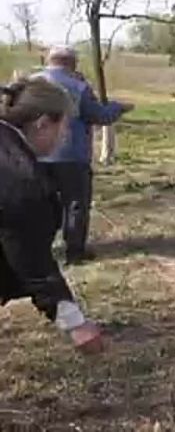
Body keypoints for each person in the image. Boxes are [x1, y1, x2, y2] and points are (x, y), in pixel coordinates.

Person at [1, 78, 105, 354]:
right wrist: (75, 323)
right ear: (43, 123)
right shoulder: (19, 178)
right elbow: (30, 257)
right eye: (64, 127)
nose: (66, 136)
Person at [34, 46, 133, 265]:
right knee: (75, 204)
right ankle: (74, 252)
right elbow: (99, 115)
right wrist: (118, 107)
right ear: (71, 63)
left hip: (34, 156)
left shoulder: (30, 84)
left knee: (38, 204)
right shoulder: (78, 87)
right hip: (71, 155)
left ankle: (39, 251)